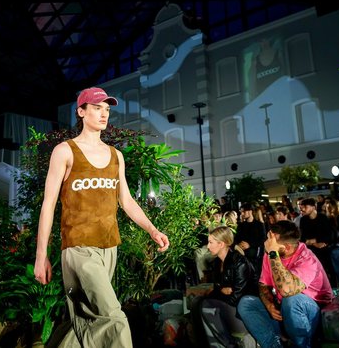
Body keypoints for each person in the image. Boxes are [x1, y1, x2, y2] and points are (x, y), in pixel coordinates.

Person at [33, 87, 170, 348]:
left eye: (107, 109)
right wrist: (42, 255)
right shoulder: (65, 151)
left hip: (109, 247)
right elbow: (48, 205)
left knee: (86, 316)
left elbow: (126, 201)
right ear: (81, 112)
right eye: (97, 108)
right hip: (78, 248)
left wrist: (152, 230)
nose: (104, 113)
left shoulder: (116, 156)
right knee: (112, 317)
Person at [237, 221, 333, 348]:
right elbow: (263, 284)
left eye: (271, 241)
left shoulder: (306, 258)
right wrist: (269, 305)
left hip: (313, 311)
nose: (266, 243)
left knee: (292, 300)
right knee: (246, 303)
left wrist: (273, 253)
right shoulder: (270, 253)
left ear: (287, 247)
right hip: (285, 307)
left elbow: (287, 291)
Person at [191, 226, 257, 348]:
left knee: (206, 305)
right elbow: (217, 289)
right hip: (227, 305)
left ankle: (227, 345)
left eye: (211, 242)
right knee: (196, 302)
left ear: (221, 244)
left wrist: (219, 291)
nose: (208, 246)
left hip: (242, 313)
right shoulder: (218, 262)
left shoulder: (239, 262)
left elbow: (236, 297)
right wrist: (221, 290)